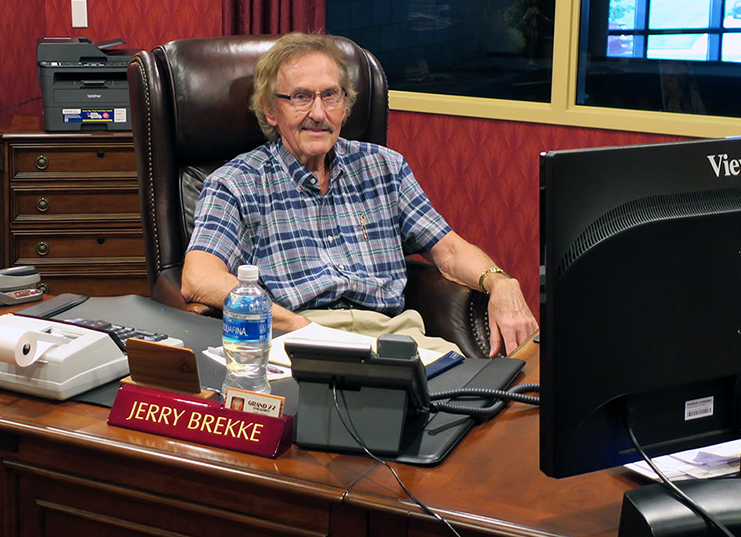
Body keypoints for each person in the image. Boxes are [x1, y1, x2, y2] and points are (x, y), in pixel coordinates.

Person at [182, 32, 540, 358]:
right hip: (298, 344)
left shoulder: (384, 167)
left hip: (397, 342)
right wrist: (293, 325)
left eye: (330, 95)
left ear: (346, 105)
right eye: (301, 97)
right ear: (270, 110)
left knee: (492, 400)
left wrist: (500, 282)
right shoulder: (236, 183)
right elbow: (198, 277)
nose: (318, 113)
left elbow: (449, 250)